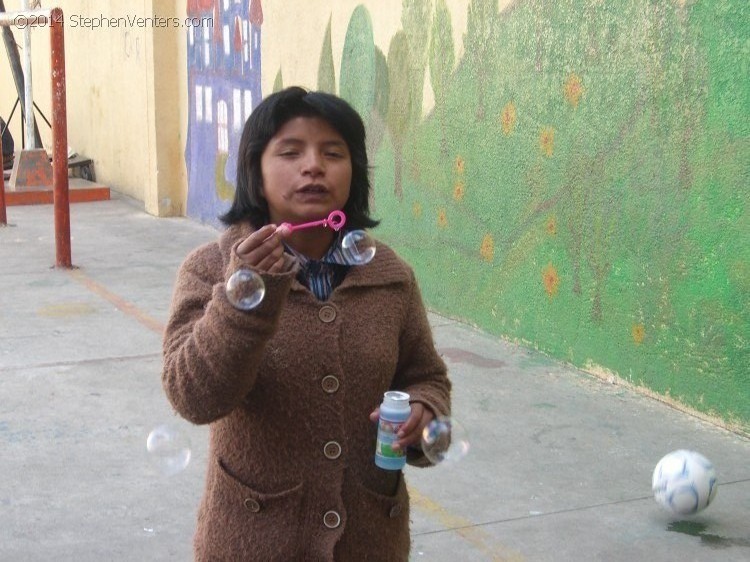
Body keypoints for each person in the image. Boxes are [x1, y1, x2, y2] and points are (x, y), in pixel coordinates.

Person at [162, 86, 451, 561]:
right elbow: (193, 397)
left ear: (354, 172)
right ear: (255, 168)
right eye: (290, 151)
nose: (313, 165)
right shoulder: (210, 270)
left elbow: (426, 376)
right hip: (253, 543)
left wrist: (423, 409)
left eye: (333, 153)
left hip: (370, 543)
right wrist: (245, 297)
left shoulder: (390, 276)